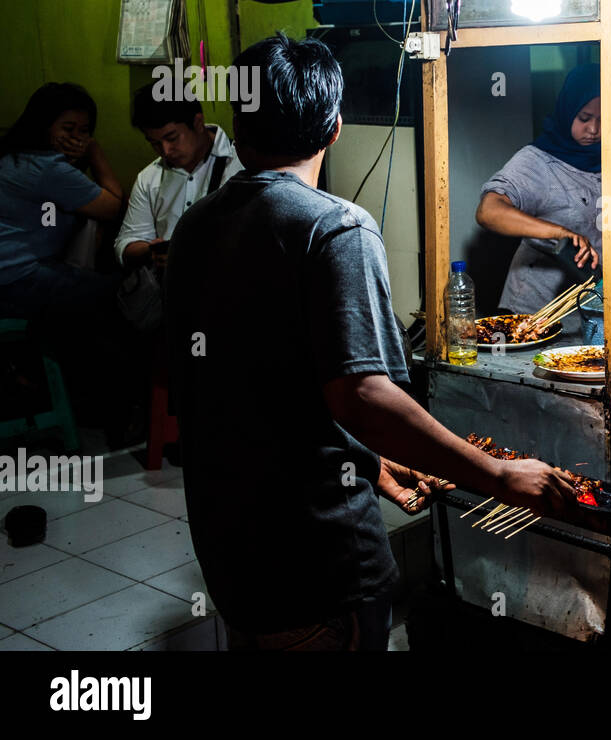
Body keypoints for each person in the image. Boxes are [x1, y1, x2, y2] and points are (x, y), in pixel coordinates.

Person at [165, 35, 575, 650]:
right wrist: (498, 476)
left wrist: (369, 463)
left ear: (239, 130)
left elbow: (251, 389)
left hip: (232, 553)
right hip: (316, 565)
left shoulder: (195, 227)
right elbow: (363, 397)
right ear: (334, 128)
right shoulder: (336, 228)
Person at [475, 63, 611, 314]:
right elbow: (488, 212)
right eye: (584, 118)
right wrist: (559, 233)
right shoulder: (537, 161)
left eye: (603, 119)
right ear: (568, 111)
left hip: (592, 304)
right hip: (536, 310)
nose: (594, 130)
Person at [0, 83, 124, 318]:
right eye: (68, 129)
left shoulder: (15, 155)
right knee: (120, 294)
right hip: (17, 276)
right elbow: (113, 207)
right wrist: (94, 151)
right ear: (43, 127)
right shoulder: (47, 168)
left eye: (85, 131)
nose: (77, 138)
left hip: (12, 270)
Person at [114, 87, 242, 269]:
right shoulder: (149, 178)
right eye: (155, 143)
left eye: (172, 138)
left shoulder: (241, 162)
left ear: (198, 122)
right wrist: (153, 252)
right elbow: (125, 245)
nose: (165, 151)